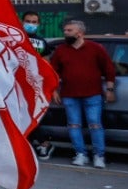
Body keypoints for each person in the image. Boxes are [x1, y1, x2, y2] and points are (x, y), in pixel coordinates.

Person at [49, 20, 117, 168]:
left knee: (95, 124)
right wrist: (54, 90)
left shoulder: (95, 48)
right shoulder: (61, 50)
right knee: (74, 125)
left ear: (79, 33)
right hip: (69, 94)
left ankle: (99, 155)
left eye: (69, 30)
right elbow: (52, 72)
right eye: (65, 30)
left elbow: (109, 69)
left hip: (92, 94)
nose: (65, 32)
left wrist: (110, 89)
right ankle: (81, 154)